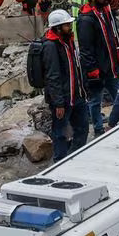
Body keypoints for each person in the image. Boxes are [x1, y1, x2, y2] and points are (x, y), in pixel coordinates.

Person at [40, 10, 89, 161]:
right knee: (60, 133)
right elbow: (53, 77)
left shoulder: (67, 41)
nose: (70, 27)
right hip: (63, 100)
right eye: (67, 25)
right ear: (58, 28)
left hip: (77, 96)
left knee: (82, 128)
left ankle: (75, 158)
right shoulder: (50, 46)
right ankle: (59, 162)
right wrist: (59, 103)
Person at [77, 0, 119, 136]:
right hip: (97, 68)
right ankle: (98, 129)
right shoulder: (86, 20)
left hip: (110, 65)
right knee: (95, 101)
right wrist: (92, 70)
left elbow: (112, 36)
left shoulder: (104, 11)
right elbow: (86, 49)